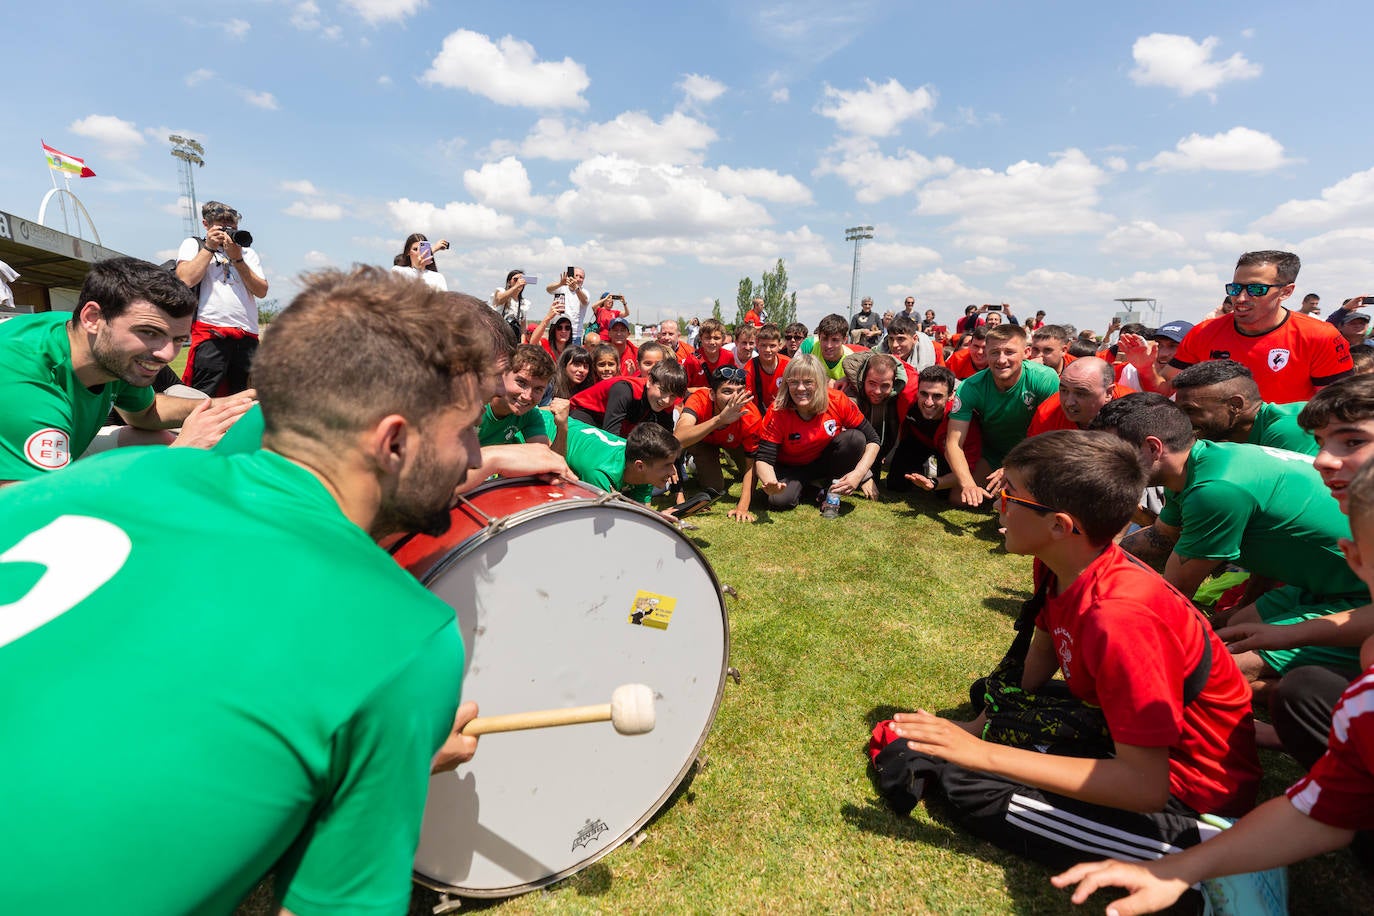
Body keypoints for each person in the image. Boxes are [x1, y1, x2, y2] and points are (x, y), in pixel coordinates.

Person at [0, 266, 495, 915]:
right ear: (394, 442)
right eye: (466, 432)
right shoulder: (403, 638)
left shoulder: (103, 474)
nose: (479, 459)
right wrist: (371, 767)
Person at [870, 430, 1261, 876]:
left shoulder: (1120, 618)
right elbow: (1045, 647)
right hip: (1126, 736)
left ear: (1059, 525)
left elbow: (1144, 785)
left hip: (1187, 787)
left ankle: (1212, 851)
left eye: (1010, 498)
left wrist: (977, 753)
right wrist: (982, 727)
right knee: (990, 697)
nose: (999, 508)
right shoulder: (1061, 562)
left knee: (970, 785)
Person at [1051, 461, 1374, 915]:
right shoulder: (1364, 703)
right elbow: (1314, 815)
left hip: (1204, 787)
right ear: (1355, 560)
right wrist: (1180, 869)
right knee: (1301, 691)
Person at [1096, 393, 1368, 697]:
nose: (1105, 464)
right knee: (1233, 627)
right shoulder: (1199, 465)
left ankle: (1336, 686)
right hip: (1325, 587)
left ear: (1152, 448)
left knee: (1205, 667)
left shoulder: (1215, 489)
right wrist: (1091, 559)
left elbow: (1173, 595)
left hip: (1360, 599)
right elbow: (1158, 539)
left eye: (1112, 453)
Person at [0, 257, 242, 484]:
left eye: (178, 339)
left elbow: (145, 413)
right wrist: (179, 454)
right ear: (92, 317)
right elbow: (29, 510)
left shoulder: (102, 343)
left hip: (55, 448)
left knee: (156, 441)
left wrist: (225, 407)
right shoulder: (27, 384)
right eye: (149, 332)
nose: (167, 354)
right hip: (20, 498)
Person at [1167, 251, 1353, 404]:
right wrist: (1144, 367)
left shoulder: (1320, 336)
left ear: (1286, 291)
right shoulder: (1203, 332)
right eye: (1235, 288)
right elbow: (1165, 388)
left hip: (1287, 446)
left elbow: (1338, 405)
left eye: (1256, 290)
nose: (1240, 298)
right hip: (1218, 444)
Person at [946, 324, 1060, 507]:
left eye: (1009, 352)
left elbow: (1052, 438)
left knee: (1021, 506)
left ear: (1026, 352)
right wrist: (968, 485)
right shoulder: (970, 387)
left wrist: (1015, 467)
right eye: (994, 352)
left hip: (1033, 455)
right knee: (959, 499)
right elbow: (953, 443)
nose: (1001, 359)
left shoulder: (1045, 379)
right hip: (994, 453)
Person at [755, 353, 881, 515]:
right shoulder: (777, 411)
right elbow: (764, 458)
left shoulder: (837, 401)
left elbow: (873, 439)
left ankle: (830, 489)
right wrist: (771, 482)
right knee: (779, 501)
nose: (800, 388)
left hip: (823, 462)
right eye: (794, 382)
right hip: (790, 468)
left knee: (855, 438)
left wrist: (859, 475)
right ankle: (813, 489)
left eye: (808, 382)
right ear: (786, 384)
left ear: (820, 383)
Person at [175, 200, 268, 396]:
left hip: (247, 333)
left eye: (231, 225)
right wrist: (209, 247)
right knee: (203, 395)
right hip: (211, 330)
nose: (227, 230)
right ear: (206, 224)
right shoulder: (194, 244)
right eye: (221, 224)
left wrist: (238, 258)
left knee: (247, 395)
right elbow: (185, 279)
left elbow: (261, 291)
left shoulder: (247, 253)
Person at [1171, 359, 1317, 455]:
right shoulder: (1227, 440)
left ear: (1235, 405)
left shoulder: (1290, 429)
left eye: (1190, 410)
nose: (1181, 420)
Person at [675, 365, 762, 522]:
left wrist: (742, 507)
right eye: (727, 391)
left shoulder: (751, 415)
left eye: (740, 391)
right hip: (703, 441)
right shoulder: (700, 399)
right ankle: (695, 461)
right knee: (715, 487)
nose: (735, 398)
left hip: (735, 443)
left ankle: (726, 456)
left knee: (752, 474)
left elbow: (751, 466)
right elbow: (678, 438)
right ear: (712, 395)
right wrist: (720, 420)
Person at [886, 365, 983, 495]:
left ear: (950, 395)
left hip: (948, 452)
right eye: (924, 394)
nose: (928, 402)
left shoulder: (964, 421)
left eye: (937, 396)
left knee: (944, 495)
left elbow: (968, 469)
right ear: (917, 391)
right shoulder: (908, 396)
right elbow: (894, 362)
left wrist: (935, 483)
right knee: (895, 484)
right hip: (917, 442)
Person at [841, 351, 915, 493]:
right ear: (863, 379)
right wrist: (864, 476)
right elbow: (843, 441)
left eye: (885, 385)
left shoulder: (897, 397)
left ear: (894, 383)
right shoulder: (850, 397)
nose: (877, 391)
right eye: (872, 383)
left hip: (877, 451)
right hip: (850, 452)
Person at [557, 418, 679, 504]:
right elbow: (602, 521)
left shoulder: (643, 460)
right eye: (667, 465)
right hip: (547, 427)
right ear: (640, 466)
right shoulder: (601, 474)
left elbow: (641, 513)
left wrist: (659, 519)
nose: (673, 472)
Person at [570, 359, 688, 437]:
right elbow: (610, 436)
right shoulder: (624, 390)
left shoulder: (666, 401)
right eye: (662, 391)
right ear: (650, 381)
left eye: (673, 396)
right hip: (581, 415)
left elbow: (666, 438)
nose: (666, 400)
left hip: (616, 424)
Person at [478, 344, 559, 451]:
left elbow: (546, 459)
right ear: (501, 375)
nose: (527, 396)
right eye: (521, 382)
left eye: (538, 389)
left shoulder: (530, 414)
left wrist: (562, 428)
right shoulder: (475, 404)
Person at [1026, 357, 1132, 437]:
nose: (1069, 402)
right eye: (1064, 390)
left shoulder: (1133, 410)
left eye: (1081, 394)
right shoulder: (1047, 414)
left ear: (1108, 393)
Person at [1116, 320, 1192, 396]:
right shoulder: (1132, 371)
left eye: (1173, 346)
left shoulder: (1197, 380)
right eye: (1159, 345)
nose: (1163, 354)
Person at [800, 314, 860, 381]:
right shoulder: (809, 345)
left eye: (835, 340)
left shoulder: (851, 361)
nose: (829, 346)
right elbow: (794, 373)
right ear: (819, 337)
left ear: (844, 340)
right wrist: (827, 380)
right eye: (825, 339)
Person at [543, 266, 592, 341]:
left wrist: (576, 288)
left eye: (581, 277)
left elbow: (585, 301)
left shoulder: (584, 292)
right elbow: (548, 289)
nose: (578, 279)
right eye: (576, 276)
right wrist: (560, 283)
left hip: (575, 335)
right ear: (571, 276)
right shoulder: (562, 288)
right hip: (558, 331)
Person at [688, 317, 736, 387]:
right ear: (701, 338)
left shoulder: (729, 356)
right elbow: (682, 391)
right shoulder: (692, 360)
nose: (712, 342)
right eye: (707, 338)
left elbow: (733, 383)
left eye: (716, 338)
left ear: (723, 339)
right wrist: (703, 391)